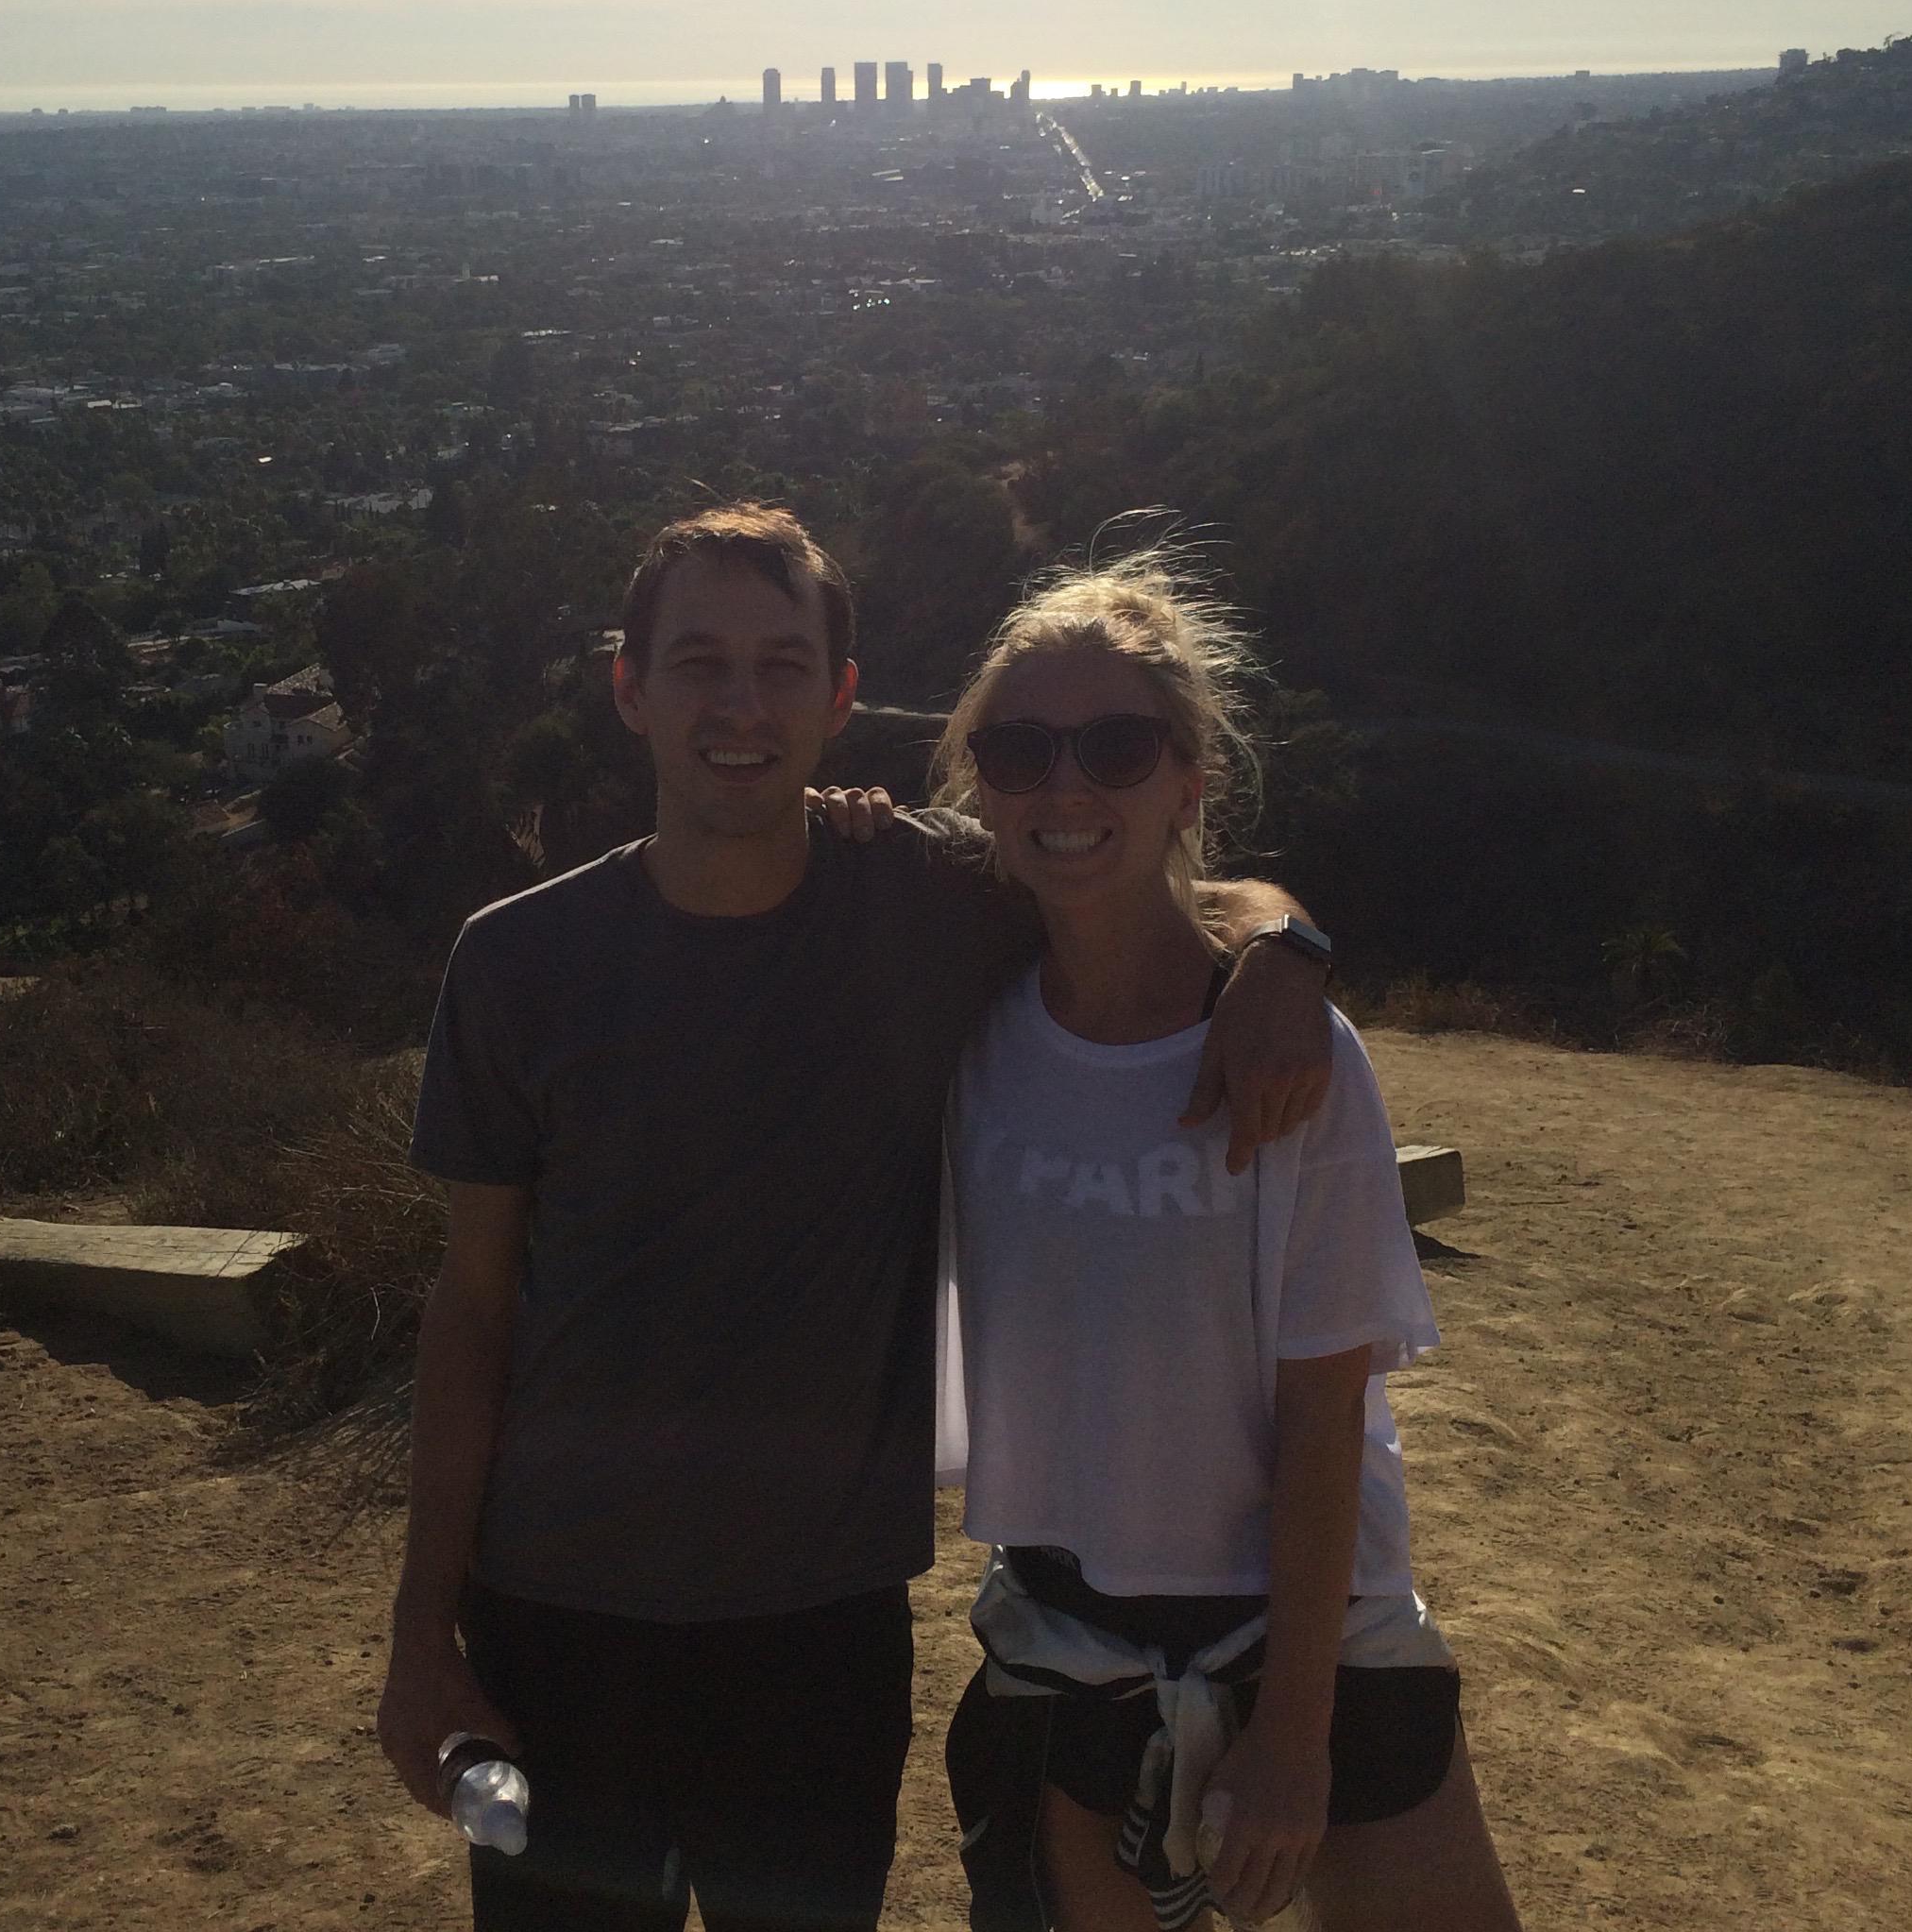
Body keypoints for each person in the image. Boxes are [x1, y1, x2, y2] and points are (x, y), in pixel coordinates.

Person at [377, 503, 1340, 1932]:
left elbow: (1154, 877)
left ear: (838, 697)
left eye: (781, 665)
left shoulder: (925, 896)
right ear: (629, 687)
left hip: (820, 1631)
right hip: (557, 1619)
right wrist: (422, 1632)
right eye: (699, 663)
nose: (741, 704)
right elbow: (471, 1310)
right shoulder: (516, 963)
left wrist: (1285, 947)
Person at [934, 553, 1523, 1932]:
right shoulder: (963, 1031)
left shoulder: (1292, 1056)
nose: (1065, 786)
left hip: (1321, 1638)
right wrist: (1286, 930)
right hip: (1074, 1642)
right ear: (980, 785)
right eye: (1019, 750)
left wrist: (1295, 1742)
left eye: (1117, 746)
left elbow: (1325, 1415)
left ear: (1189, 783)